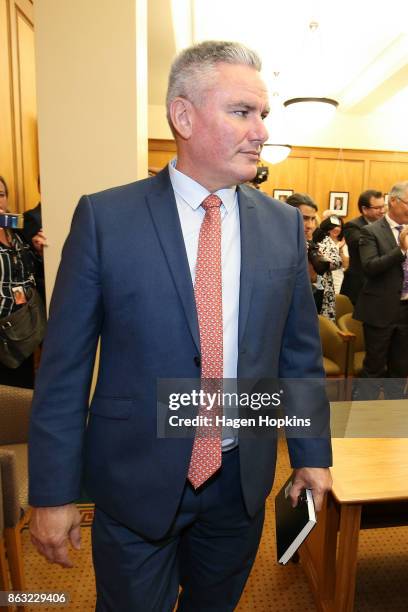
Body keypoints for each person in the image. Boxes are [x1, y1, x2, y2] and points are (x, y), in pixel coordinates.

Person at [28, 41, 332, 611]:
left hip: (240, 485)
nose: (261, 130)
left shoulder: (284, 226)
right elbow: (65, 369)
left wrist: (312, 452)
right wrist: (52, 491)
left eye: (263, 114)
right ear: (184, 116)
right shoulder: (106, 218)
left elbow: (298, 356)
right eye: (242, 112)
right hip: (133, 481)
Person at [354, 181, 408, 399]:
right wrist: (401, 250)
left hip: (405, 311)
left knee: (401, 369)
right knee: (375, 368)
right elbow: (370, 267)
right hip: (380, 311)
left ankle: (393, 420)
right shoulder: (370, 232)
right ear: (393, 201)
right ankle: (362, 417)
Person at [0, 175, 45, 388]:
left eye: (1, 194)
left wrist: (37, 250)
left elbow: (29, 270)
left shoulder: (15, 231)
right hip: (2, 334)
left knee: (23, 390)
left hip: (23, 329)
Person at [285, 192, 331, 313]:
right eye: (304, 218)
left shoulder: (308, 245)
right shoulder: (277, 245)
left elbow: (312, 280)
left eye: (312, 219)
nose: (310, 225)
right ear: (288, 215)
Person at [341, 189, 385, 304]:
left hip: (379, 286)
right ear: (365, 209)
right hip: (359, 285)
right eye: (377, 208)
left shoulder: (384, 226)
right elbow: (365, 245)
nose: (382, 211)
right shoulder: (352, 226)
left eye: (383, 206)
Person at [314, 216, 345, 320]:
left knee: (322, 318)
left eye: (339, 227)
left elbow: (338, 262)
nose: (336, 229)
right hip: (312, 281)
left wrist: (323, 262)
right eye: (333, 226)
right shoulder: (315, 238)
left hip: (325, 282)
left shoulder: (328, 240)